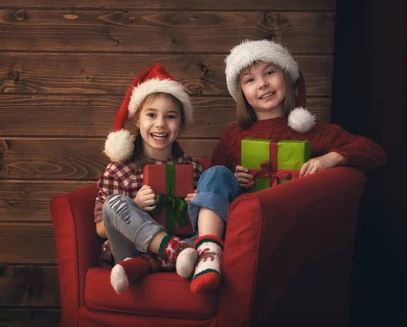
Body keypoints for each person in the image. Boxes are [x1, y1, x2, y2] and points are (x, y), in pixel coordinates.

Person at [187, 39, 387, 294]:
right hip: (241, 233)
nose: (262, 84)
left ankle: (186, 252)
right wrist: (232, 180)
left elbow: (374, 151)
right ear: (242, 94)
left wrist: (333, 157)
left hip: (291, 233)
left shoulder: (315, 132)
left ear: (287, 77)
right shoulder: (233, 135)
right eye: (249, 80)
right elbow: (211, 181)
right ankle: (208, 253)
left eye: (270, 72)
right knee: (219, 176)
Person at [95, 64, 205, 294]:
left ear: (181, 123)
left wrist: (197, 204)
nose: (161, 124)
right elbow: (99, 229)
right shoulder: (118, 170)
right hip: (130, 252)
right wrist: (134, 205)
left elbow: (199, 222)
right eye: (151, 115)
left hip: (183, 249)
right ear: (136, 120)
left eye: (171, 116)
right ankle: (169, 250)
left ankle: (161, 259)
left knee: (210, 219)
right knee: (114, 204)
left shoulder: (192, 168)